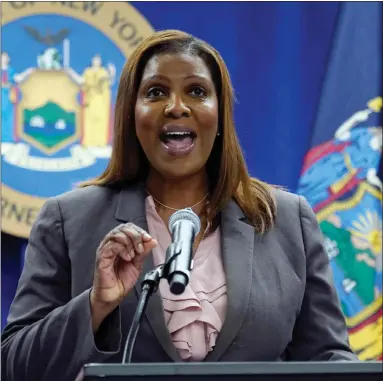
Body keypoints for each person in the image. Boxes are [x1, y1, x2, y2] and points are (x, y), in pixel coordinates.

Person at [1, 30, 358, 381]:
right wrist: (96, 305)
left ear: (220, 115)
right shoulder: (69, 219)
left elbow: (329, 356)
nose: (176, 107)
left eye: (197, 92)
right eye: (155, 92)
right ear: (131, 113)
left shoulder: (287, 220)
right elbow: (13, 365)